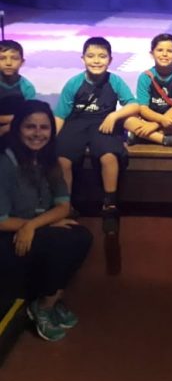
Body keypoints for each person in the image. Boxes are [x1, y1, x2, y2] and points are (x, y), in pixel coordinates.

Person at [0, 100, 92, 342]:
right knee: (61, 243)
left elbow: (63, 206)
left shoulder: (49, 160)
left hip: (30, 229)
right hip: (7, 237)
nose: (37, 133)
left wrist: (34, 225)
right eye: (30, 127)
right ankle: (43, 306)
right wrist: (35, 225)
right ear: (18, 128)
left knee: (80, 235)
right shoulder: (5, 162)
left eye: (44, 127)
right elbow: (1, 221)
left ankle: (48, 301)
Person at [54, 37, 138, 235]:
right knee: (63, 159)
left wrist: (114, 115)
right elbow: (60, 115)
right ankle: (64, 206)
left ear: (110, 59)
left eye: (102, 56)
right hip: (76, 123)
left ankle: (110, 206)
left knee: (109, 157)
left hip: (103, 122)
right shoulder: (74, 83)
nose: (96, 60)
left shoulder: (115, 81)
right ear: (83, 58)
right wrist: (49, 142)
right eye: (91, 56)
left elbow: (134, 105)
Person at [125, 33, 172, 147]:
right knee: (128, 120)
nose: (164, 54)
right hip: (149, 119)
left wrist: (156, 125)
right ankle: (165, 139)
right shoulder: (145, 77)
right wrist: (159, 120)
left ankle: (142, 136)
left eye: (170, 51)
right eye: (160, 50)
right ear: (152, 54)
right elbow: (143, 108)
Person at [0, 40, 36, 139]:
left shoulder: (27, 87)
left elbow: (29, 116)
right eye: (2, 58)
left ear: (22, 62)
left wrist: (6, 128)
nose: (8, 63)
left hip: (18, 132)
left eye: (14, 58)